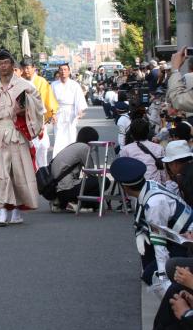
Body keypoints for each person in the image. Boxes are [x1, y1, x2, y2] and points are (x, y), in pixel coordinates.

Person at [0, 49, 44, 225]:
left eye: (7, 63)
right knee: (0, 173)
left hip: (17, 132)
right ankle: (3, 210)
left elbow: (38, 104)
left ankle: (17, 212)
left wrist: (26, 106)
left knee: (19, 173)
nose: (4, 66)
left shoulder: (24, 85)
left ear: (13, 65)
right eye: (0, 63)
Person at [110, 156, 193, 292]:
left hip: (186, 241)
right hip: (176, 234)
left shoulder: (154, 203)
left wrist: (163, 276)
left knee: (150, 276)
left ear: (124, 187)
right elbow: (143, 220)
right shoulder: (148, 186)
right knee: (146, 244)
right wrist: (140, 233)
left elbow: (159, 243)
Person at [47, 127, 105, 212]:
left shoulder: (73, 146)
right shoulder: (84, 148)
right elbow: (91, 172)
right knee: (103, 181)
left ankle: (61, 203)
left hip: (57, 189)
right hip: (67, 189)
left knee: (88, 184)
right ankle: (77, 204)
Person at [21, 57, 58, 168]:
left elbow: (48, 98)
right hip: (23, 116)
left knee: (42, 145)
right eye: (24, 68)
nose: (26, 70)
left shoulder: (41, 81)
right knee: (27, 146)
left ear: (34, 68)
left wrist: (53, 112)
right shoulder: (19, 81)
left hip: (38, 116)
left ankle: (42, 169)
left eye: (28, 68)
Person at [50, 63, 87, 158]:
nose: (63, 72)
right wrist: (52, 114)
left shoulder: (74, 85)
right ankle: (57, 158)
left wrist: (79, 111)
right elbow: (50, 100)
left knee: (71, 135)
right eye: (61, 70)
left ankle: (71, 157)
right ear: (58, 71)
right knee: (58, 135)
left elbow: (79, 99)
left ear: (69, 71)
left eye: (65, 69)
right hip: (58, 111)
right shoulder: (53, 85)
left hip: (71, 111)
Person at [121, 117, 167, 184]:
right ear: (148, 132)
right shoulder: (159, 148)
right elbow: (163, 170)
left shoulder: (126, 150)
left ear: (131, 134)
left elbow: (124, 171)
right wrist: (163, 184)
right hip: (155, 185)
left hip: (135, 186)